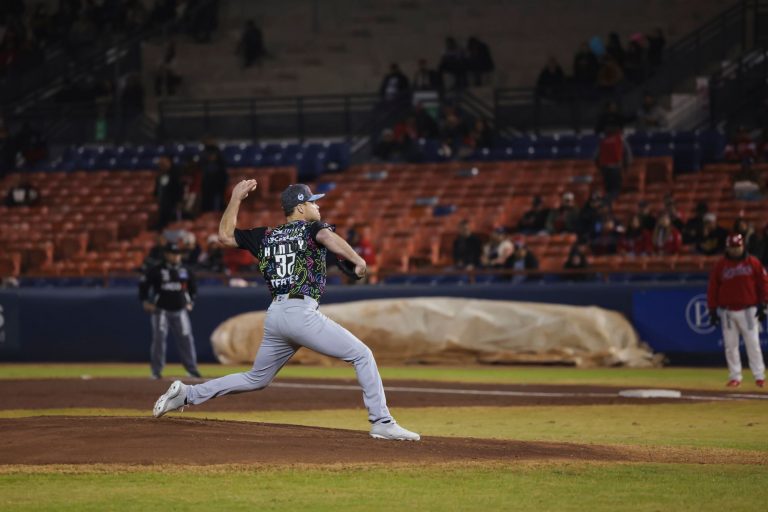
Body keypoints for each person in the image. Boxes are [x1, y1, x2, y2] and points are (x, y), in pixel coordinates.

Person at [152, 181, 420, 441]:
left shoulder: (265, 235)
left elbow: (224, 236)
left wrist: (235, 198)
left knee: (256, 378)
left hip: (276, 314)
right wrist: (358, 261)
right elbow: (326, 235)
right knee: (362, 355)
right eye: (313, 203)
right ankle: (382, 422)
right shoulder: (312, 229)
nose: (318, 207)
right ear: (301, 207)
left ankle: (186, 394)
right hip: (300, 312)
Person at [707, 233, 767, 388]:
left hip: (748, 309)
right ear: (727, 247)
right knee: (730, 346)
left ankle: (759, 376)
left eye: (737, 246)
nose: (735, 250)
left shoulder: (752, 262)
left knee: (753, 343)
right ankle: (735, 376)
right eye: (732, 247)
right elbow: (713, 288)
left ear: (743, 246)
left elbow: (764, 283)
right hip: (727, 311)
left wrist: (764, 304)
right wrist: (712, 309)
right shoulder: (721, 265)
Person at [139, 242, 201, 380]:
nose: (176, 256)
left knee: (186, 339)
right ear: (166, 254)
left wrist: (191, 301)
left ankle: (192, 369)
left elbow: (193, 288)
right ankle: (156, 371)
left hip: (180, 309)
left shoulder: (185, 270)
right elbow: (143, 286)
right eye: (173, 254)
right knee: (159, 340)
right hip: (161, 310)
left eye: (178, 254)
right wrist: (145, 302)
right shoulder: (156, 270)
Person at [594, 125, 632, 204]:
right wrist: (626, 168)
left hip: (605, 169)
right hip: (616, 168)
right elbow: (627, 155)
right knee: (615, 190)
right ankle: (610, 204)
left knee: (608, 189)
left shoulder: (603, 141)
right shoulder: (620, 140)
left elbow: (595, 157)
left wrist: (600, 169)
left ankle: (607, 203)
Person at [155, 155, 183, 230]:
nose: (162, 165)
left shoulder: (175, 174)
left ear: (169, 162)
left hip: (172, 203)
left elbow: (179, 189)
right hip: (162, 203)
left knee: (172, 222)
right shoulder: (160, 175)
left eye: (164, 163)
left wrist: (179, 201)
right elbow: (158, 188)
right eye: (161, 164)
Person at [199, 142, 228, 212]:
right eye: (210, 155)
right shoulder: (204, 166)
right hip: (207, 190)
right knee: (207, 207)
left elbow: (224, 179)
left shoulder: (221, 166)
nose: (211, 156)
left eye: (213, 154)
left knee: (217, 207)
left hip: (218, 190)